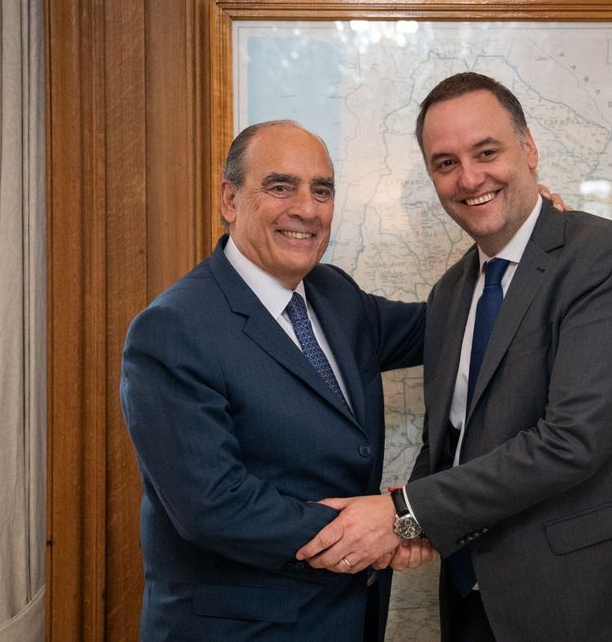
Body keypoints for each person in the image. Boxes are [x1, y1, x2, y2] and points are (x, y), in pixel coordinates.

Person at [297, 73, 612, 641]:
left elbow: (571, 441)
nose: (469, 178)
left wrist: (402, 512)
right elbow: (453, 443)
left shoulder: (606, 258)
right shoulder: (450, 294)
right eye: (445, 163)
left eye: (487, 152)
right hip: (476, 602)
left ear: (530, 149)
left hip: (597, 601)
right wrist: (409, 522)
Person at [119, 120, 432, 641]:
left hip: (347, 621)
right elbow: (213, 506)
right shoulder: (173, 328)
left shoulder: (337, 296)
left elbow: (442, 325)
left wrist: (516, 238)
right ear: (230, 199)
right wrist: (382, 528)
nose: (307, 209)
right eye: (281, 186)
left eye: (322, 190)